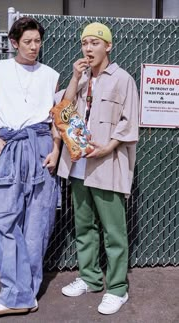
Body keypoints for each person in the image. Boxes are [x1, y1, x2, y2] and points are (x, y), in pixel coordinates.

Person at [0, 17, 60, 316]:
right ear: (13, 42)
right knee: (1, 220)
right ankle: (17, 292)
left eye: (37, 41)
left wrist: (57, 149)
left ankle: (23, 295)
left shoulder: (51, 75)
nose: (34, 47)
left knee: (38, 223)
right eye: (27, 42)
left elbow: (58, 118)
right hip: (9, 147)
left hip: (41, 147)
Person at [57, 22, 139, 315]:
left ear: (108, 46)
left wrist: (109, 146)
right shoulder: (80, 79)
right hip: (78, 165)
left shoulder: (123, 79)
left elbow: (130, 122)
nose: (88, 48)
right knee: (84, 227)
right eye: (85, 43)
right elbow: (63, 112)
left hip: (107, 164)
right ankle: (90, 278)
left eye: (95, 42)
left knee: (114, 231)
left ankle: (117, 288)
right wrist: (74, 77)